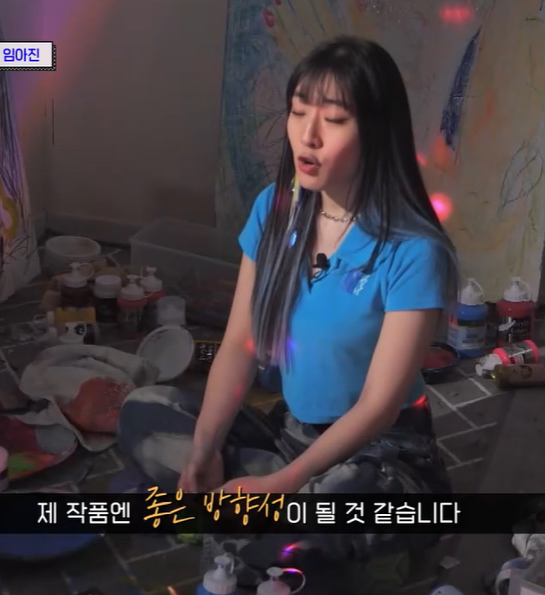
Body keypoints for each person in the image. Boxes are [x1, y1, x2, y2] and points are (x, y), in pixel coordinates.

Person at [117, 36, 459, 589]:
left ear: (376, 131)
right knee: (144, 409)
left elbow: (377, 407)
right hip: (291, 437)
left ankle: (305, 527)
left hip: (382, 455)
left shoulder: (414, 250)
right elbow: (240, 344)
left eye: (334, 119)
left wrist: (284, 484)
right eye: (298, 112)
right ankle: (277, 518)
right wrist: (204, 450)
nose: (308, 135)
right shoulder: (276, 209)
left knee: (294, 527)